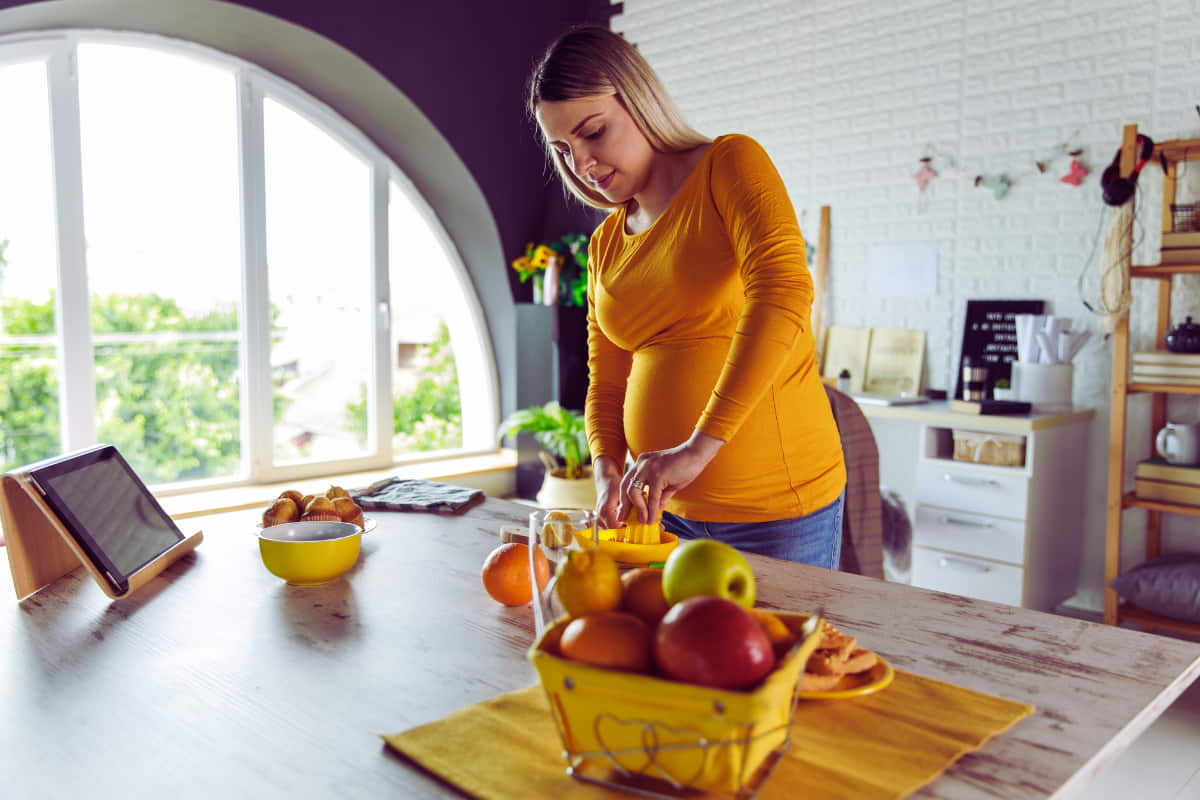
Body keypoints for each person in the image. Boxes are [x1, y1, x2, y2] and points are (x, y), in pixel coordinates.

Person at [526, 26, 846, 567]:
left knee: (781, 654)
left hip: (774, 513)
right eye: (563, 149)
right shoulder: (605, 243)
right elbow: (606, 378)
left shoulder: (729, 165)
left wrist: (698, 450)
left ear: (640, 102)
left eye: (594, 132)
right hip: (662, 512)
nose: (581, 164)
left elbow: (784, 291)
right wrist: (606, 468)